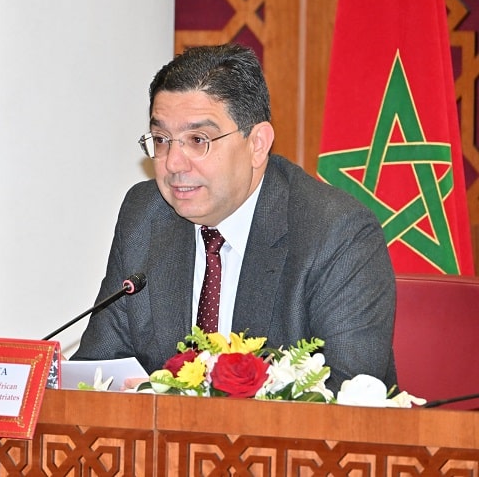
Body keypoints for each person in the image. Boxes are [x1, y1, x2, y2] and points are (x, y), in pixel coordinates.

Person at [72, 43, 397, 391]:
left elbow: (347, 395)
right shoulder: (146, 215)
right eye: (162, 139)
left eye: (198, 139)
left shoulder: (336, 233)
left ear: (257, 144)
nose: (173, 163)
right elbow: (96, 373)